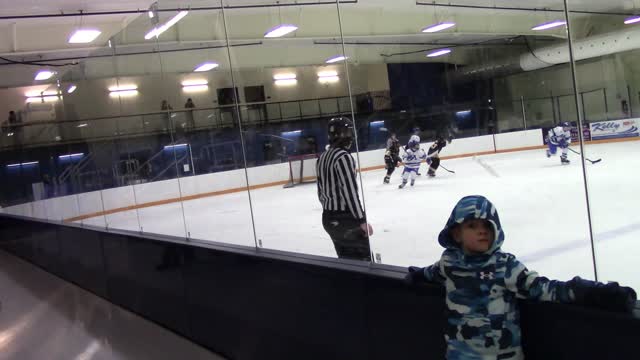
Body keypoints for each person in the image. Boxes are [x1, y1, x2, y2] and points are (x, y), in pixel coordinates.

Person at [404, 195, 637, 360]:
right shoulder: (449, 262)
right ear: (456, 233)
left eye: (487, 225)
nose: (482, 230)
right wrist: (418, 275)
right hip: (458, 354)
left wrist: (591, 291)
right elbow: (432, 273)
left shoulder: (505, 266)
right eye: (472, 225)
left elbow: (545, 289)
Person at [317, 117, 373, 261]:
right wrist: (361, 220)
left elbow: (320, 191)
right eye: (348, 132)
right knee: (363, 264)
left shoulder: (322, 157)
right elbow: (350, 193)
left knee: (346, 262)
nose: (350, 136)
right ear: (340, 134)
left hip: (328, 218)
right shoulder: (343, 157)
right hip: (345, 220)